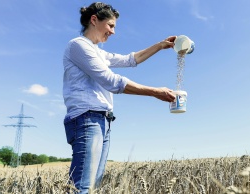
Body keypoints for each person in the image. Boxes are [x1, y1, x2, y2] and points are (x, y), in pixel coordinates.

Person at [62, 2, 176, 193]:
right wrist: (155, 92)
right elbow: (111, 81)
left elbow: (130, 60)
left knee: (92, 187)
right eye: (111, 25)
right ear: (94, 20)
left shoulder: (98, 51)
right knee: (81, 187)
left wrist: (160, 45)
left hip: (103, 120)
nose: (113, 32)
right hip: (87, 118)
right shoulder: (78, 46)